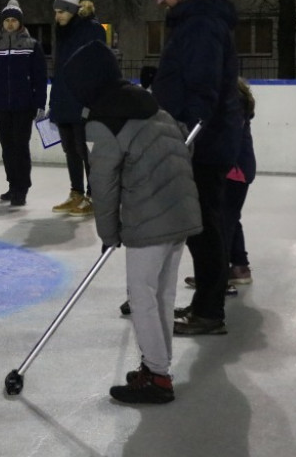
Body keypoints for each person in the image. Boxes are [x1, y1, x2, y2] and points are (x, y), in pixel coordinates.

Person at [64, 40, 202, 404]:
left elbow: (103, 184)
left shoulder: (104, 120)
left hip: (149, 219)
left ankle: (157, 377)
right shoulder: (150, 104)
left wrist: (108, 233)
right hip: (181, 212)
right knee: (163, 295)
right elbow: (184, 149)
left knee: (142, 296)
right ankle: (158, 366)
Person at [152, 0, 243, 335]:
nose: (159, 0)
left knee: (203, 225)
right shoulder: (193, 22)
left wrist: (188, 130)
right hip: (204, 137)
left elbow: (203, 84)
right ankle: (206, 303)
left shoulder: (201, 24)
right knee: (203, 224)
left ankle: (209, 311)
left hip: (203, 141)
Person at [185, 77, 256, 291]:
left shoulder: (229, 105)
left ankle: (217, 276)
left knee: (219, 224)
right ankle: (239, 268)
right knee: (229, 219)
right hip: (239, 168)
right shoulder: (236, 103)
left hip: (231, 169)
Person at [0, 0, 48, 206]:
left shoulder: (31, 46)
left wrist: (40, 103)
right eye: (7, 20)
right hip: (1, 107)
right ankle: (12, 185)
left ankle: (22, 188)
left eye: (14, 20)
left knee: (20, 146)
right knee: (7, 148)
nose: (10, 24)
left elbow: (40, 77)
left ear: (20, 23)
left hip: (23, 106)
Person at [47, 0, 107, 217]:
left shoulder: (91, 29)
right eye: (56, 11)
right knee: (70, 149)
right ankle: (76, 193)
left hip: (82, 100)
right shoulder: (63, 31)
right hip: (64, 99)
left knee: (84, 151)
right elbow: (60, 68)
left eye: (61, 11)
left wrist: (92, 99)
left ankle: (94, 196)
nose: (57, 16)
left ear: (72, 10)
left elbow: (99, 65)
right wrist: (54, 101)